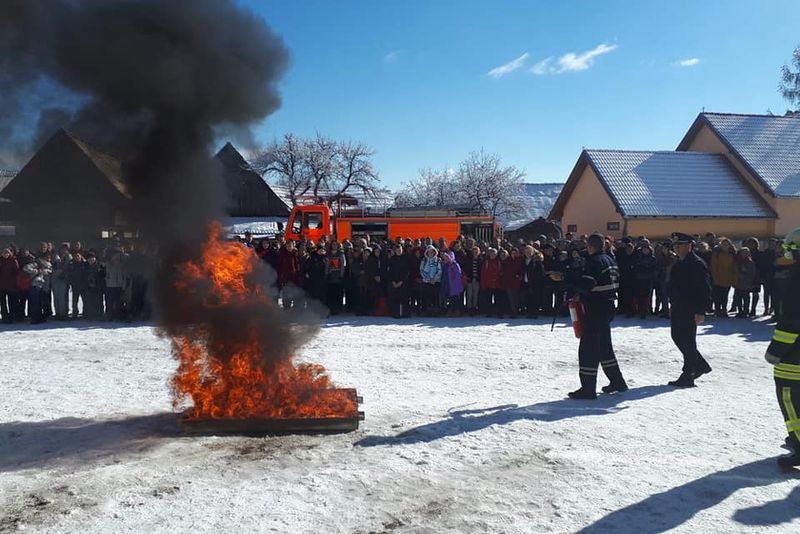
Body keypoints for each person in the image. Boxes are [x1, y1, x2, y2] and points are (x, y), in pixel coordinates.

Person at [553, 233, 627, 400]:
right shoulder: (610, 260)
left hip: (596, 308)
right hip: (608, 306)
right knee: (604, 346)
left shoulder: (594, 262)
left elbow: (587, 284)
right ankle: (617, 381)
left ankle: (587, 388)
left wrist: (564, 279)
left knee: (588, 348)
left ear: (590, 246)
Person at [764, 227, 800, 468]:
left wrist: (775, 351)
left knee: (791, 402)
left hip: (794, 359)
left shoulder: (796, 278)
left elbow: (791, 321)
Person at [666, 233, 713, 387]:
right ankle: (699, 365)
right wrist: (672, 304)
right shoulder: (680, 262)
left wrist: (701, 310)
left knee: (687, 340)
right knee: (677, 336)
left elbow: (704, 289)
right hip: (679, 306)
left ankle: (688, 374)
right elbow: (675, 287)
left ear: (688, 246)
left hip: (690, 308)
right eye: (675, 246)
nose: (676, 248)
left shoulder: (696, 264)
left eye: (679, 245)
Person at [386, 243, 410, 318]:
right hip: (394, 281)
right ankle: (395, 313)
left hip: (403, 282)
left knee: (404, 298)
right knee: (394, 298)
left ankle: (405, 313)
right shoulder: (392, 259)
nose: (399, 251)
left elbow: (407, 271)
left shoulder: (406, 258)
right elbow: (389, 271)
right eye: (397, 250)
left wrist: (401, 281)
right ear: (395, 251)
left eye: (400, 250)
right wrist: (393, 281)